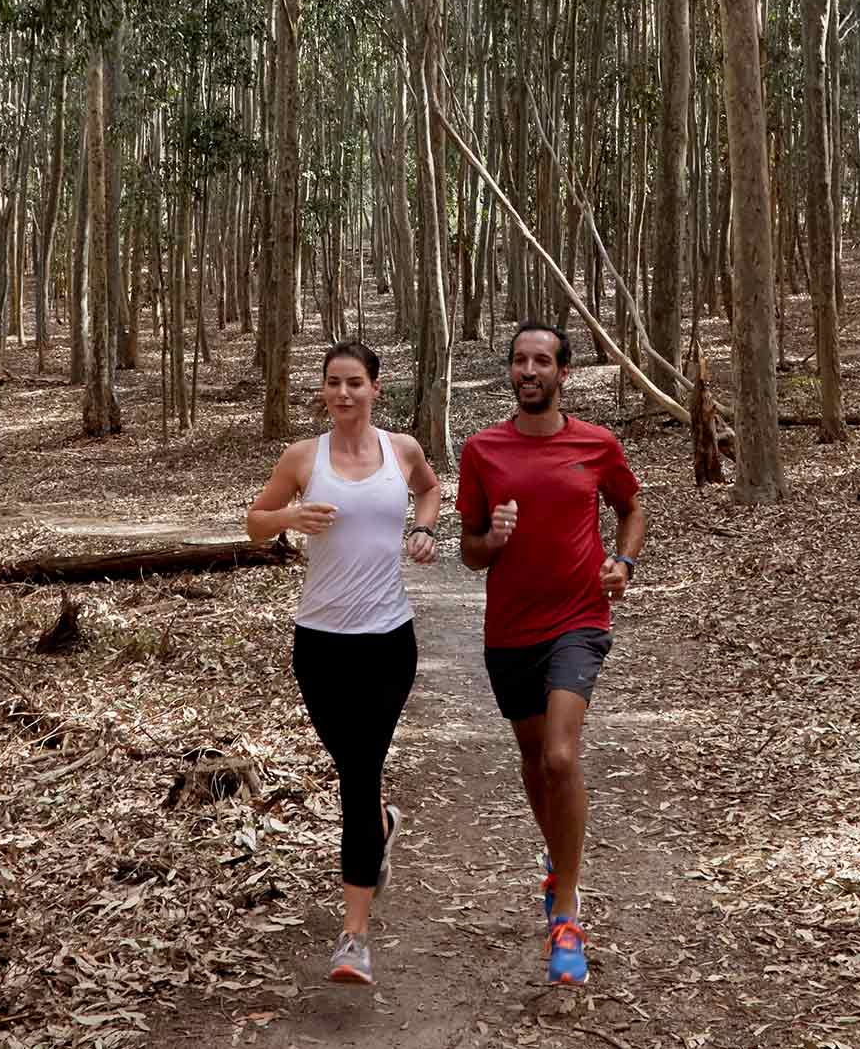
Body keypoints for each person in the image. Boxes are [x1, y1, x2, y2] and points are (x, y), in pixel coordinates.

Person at [456, 320, 646, 987]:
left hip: (579, 620)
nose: (529, 371)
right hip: (510, 630)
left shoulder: (595, 444)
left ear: (564, 373)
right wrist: (493, 539)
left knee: (562, 756)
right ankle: (558, 862)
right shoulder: (483, 450)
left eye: (542, 361)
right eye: (519, 360)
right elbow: (469, 552)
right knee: (536, 760)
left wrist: (623, 561)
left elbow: (631, 508)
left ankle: (566, 910)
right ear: (511, 372)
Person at [246, 341, 442, 987]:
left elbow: (430, 488)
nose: (343, 393)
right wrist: (290, 515)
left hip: (388, 641)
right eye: (333, 382)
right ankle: (381, 826)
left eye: (355, 382)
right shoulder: (303, 458)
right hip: (320, 645)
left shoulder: (401, 450)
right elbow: (254, 523)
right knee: (354, 768)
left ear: (375, 388)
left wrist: (424, 529)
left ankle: (354, 936)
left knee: (359, 773)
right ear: (323, 390)